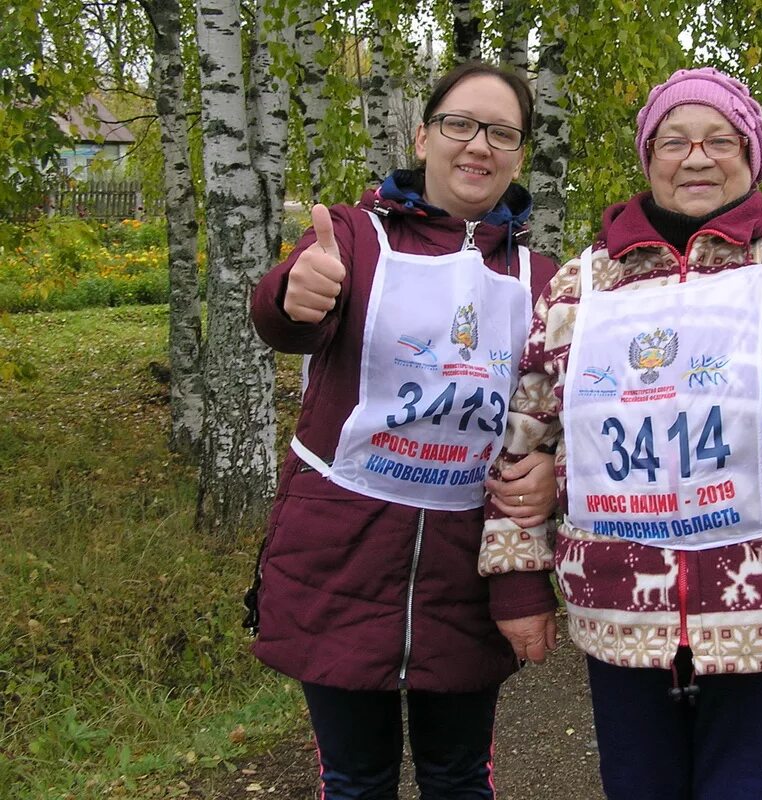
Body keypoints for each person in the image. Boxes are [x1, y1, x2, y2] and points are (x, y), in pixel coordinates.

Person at [480, 67, 762, 798]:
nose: (696, 157)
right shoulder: (580, 289)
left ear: (751, 153)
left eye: (719, 139)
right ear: (648, 157)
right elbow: (525, 438)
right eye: (673, 140)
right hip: (619, 611)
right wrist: (515, 581)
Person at [244, 61, 561, 800]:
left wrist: (550, 480)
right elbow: (283, 317)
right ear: (423, 136)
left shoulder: (540, 280)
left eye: (501, 132)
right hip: (340, 558)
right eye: (459, 124)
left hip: (465, 569)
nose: (477, 145)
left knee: (457, 778)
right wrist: (296, 292)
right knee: (355, 780)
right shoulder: (353, 238)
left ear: (519, 155)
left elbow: (553, 423)